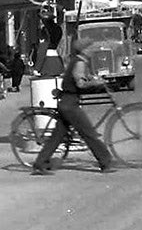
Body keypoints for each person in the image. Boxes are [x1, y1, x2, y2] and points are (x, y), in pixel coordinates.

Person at [32, 38, 116, 175]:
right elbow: (80, 84)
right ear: (84, 50)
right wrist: (97, 84)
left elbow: (82, 79)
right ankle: (105, 161)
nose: (92, 51)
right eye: (90, 48)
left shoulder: (76, 61)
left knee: (57, 136)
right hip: (70, 104)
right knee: (88, 133)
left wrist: (93, 80)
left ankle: (40, 163)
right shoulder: (80, 62)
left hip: (66, 102)